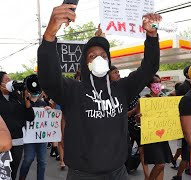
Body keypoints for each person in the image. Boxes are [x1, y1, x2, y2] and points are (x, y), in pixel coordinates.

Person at [37, 3, 161, 179]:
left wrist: (152, 35)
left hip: (118, 172)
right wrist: (49, 36)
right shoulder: (72, 91)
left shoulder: (122, 89)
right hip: (83, 175)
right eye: (92, 56)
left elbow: (149, 68)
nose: (99, 58)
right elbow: (49, 78)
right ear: (85, 64)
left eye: (103, 55)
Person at [135, 75, 172, 180]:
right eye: (156, 82)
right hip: (151, 136)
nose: (158, 84)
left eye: (159, 82)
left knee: (161, 164)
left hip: (163, 135)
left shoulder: (163, 99)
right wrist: (139, 117)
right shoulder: (143, 100)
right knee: (160, 164)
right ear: (150, 85)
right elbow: (138, 120)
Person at [0, 72, 35, 180]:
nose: (10, 82)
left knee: (13, 171)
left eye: (10, 79)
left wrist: (28, 105)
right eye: (6, 80)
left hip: (18, 141)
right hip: (3, 143)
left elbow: (30, 117)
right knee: (4, 174)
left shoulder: (17, 97)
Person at [19, 88, 51, 180]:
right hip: (29, 137)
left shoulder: (43, 103)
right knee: (28, 159)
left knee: (42, 162)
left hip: (41, 138)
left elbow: (47, 120)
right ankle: (22, 177)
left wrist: (48, 111)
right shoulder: (23, 103)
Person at [172, 65, 191, 180]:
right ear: (187, 74)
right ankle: (179, 175)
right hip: (188, 126)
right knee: (187, 154)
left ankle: (189, 175)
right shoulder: (183, 87)